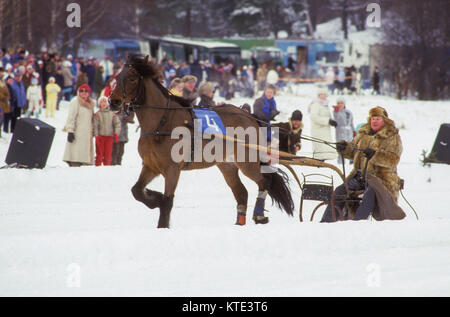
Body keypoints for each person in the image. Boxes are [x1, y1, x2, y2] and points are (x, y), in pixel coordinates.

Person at [321, 106, 405, 222]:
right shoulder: (362, 135)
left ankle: (358, 223)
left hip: (380, 178)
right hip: (359, 177)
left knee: (369, 195)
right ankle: (326, 222)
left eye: (378, 118)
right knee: (339, 191)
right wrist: (344, 148)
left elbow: (393, 159)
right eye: (372, 118)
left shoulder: (392, 137)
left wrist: (375, 155)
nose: (374, 121)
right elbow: (351, 152)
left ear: (384, 120)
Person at [62, 84, 95, 167]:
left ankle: (84, 163)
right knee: (76, 151)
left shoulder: (91, 103)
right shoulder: (75, 101)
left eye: (86, 91)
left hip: (87, 133)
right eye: (81, 91)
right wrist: (70, 131)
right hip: (77, 132)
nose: (84, 93)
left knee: (85, 150)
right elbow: (71, 117)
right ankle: (74, 163)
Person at [309, 87, 337, 161]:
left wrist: (332, 121)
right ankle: (318, 160)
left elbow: (327, 115)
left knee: (326, 148)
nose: (323, 96)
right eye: (321, 94)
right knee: (320, 147)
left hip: (325, 130)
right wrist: (327, 121)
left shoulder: (325, 105)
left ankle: (323, 160)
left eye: (324, 94)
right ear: (318, 95)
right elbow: (314, 117)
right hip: (318, 130)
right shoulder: (316, 104)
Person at [94, 96, 121, 166]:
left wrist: (116, 133)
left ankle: (107, 167)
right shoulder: (97, 114)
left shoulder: (112, 114)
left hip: (109, 137)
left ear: (107, 103)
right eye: (102, 102)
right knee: (99, 153)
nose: (103, 103)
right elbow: (95, 126)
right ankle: (98, 166)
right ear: (99, 104)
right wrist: (96, 136)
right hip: (100, 137)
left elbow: (117, 124)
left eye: (105, 102)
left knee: (108, 154)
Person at [332, 97, 356, 164]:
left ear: (344, 104)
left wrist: (354, 131)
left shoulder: (349, 112)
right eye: (338, 103)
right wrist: (336, 111)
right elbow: (335, 117)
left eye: (341, 103)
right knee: (341, 147)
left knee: (351, 146)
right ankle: (340, 162)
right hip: (340, 132)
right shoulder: (336, 111)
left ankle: (352, 160)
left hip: (349, 132)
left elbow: (351, 122)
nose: (340, 104)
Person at [0, 69, 10, 136]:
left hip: (3, 102)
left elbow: (6, 90)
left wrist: (7, 96)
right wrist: (3, 96)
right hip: (1, 100)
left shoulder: (2, 81)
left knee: (2, 119)